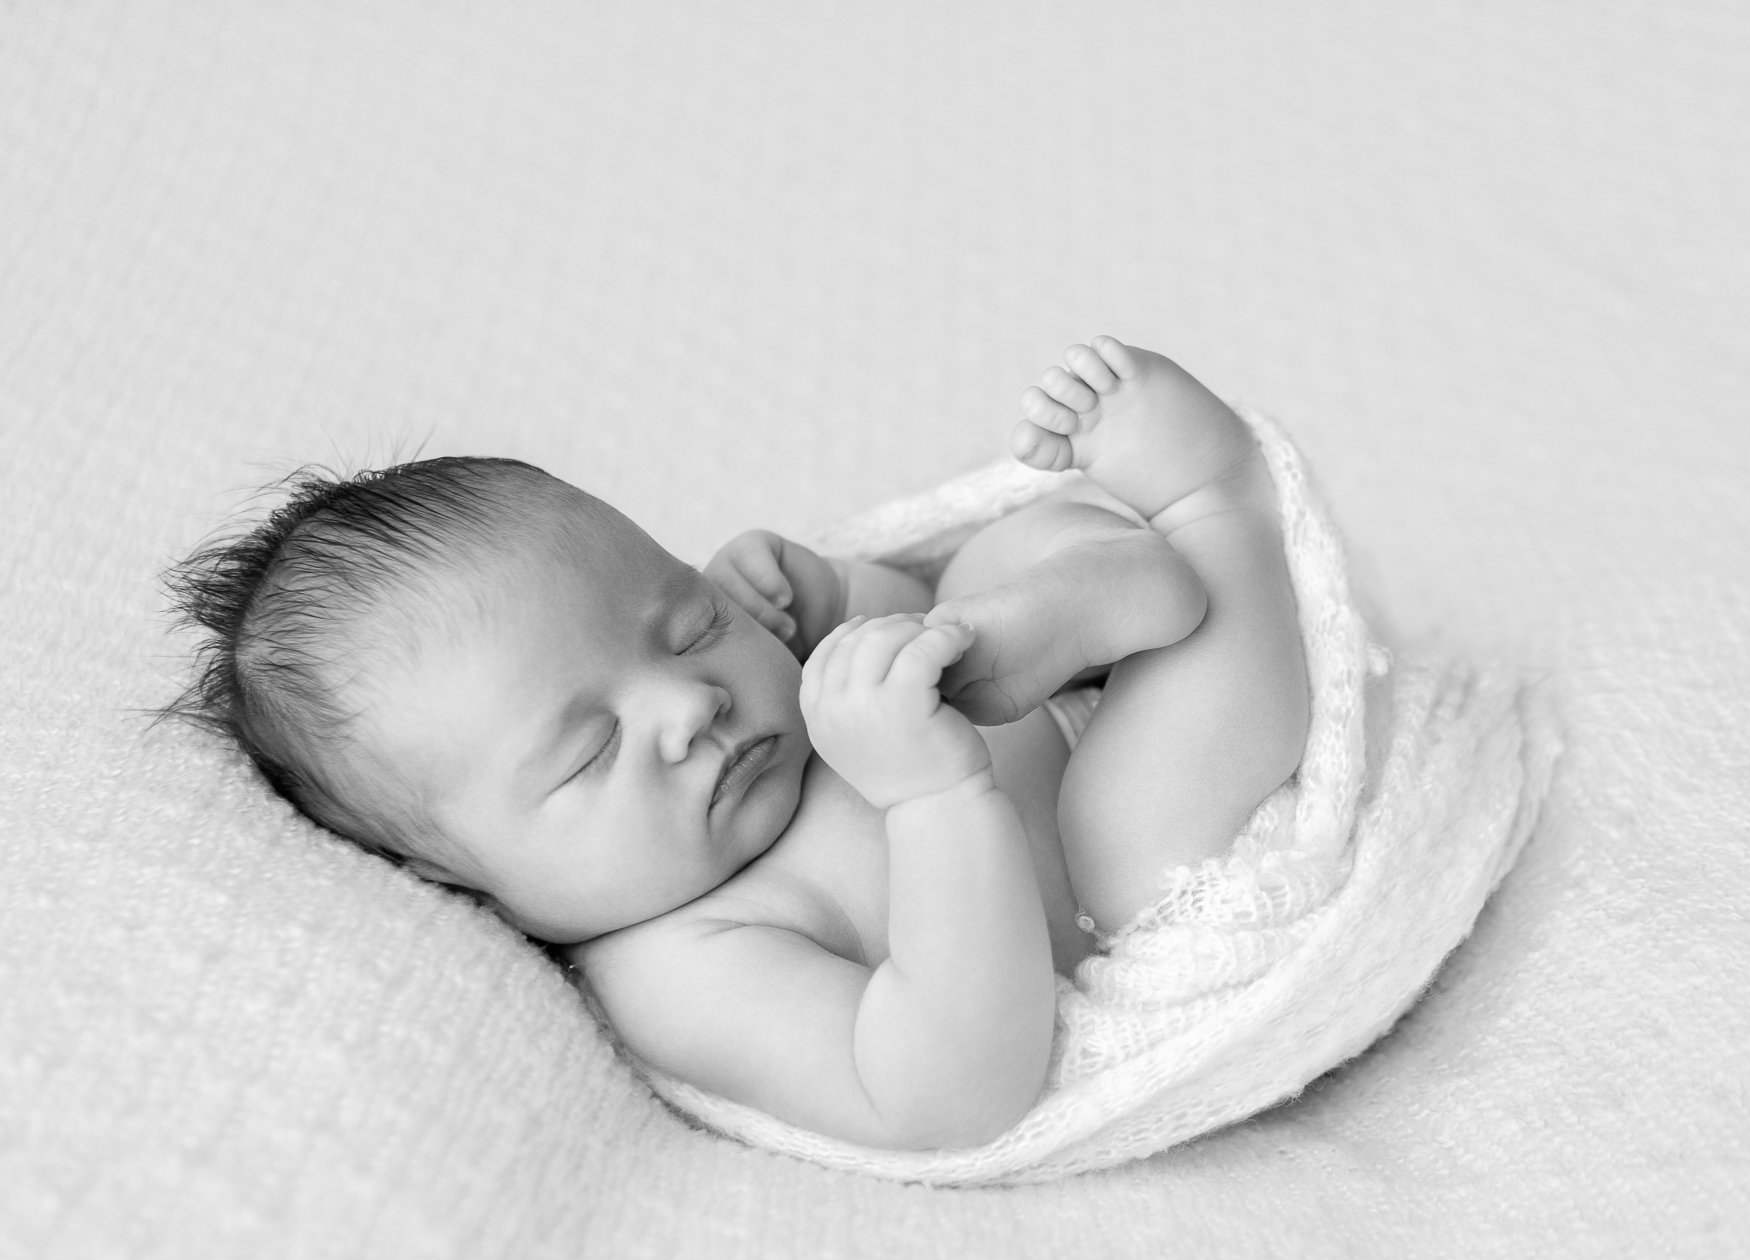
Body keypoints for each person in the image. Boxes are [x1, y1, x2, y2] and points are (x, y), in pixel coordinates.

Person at [165, 338, 1308, 1151]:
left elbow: (880, 597)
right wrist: (936, 803)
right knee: (1135, 840)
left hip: (1036, 695)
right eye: (586, 754)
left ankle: (1071, 599)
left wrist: (822, 600)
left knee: (962, 582)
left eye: (685, 621)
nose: (686, 706)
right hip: (1108, 873)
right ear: (455, 879)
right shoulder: (683, 964)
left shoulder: (753, 699)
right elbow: (943, 1093)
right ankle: (1216, 511)